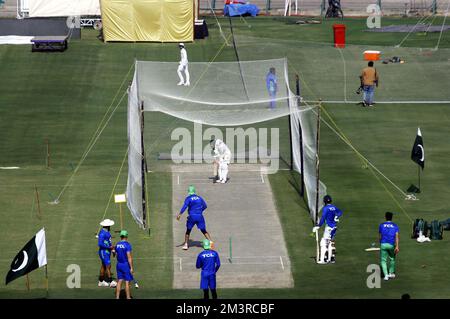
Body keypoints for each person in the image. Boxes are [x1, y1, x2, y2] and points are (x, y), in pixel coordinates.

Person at [176, 185, 212, 250]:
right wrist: (200, 211)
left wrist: (180, 214)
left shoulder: (188, 198)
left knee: (188, 230)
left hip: (192, 217)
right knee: (203, 230)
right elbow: (205, 206)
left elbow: (184, 206)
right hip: (199, 216)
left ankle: (186, 244)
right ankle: (210, 242)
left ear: (189, 192)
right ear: (194, 191)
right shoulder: (200, 198)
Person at [312, 195, 343, 264]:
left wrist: (319, 225)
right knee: (330, 243)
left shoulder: (325, 208)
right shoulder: (334, 207)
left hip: (329, 227)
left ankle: (323, 260)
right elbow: (340, 212)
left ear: (324, 201)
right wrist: (336, 216)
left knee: (323, 243)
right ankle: (330, 259)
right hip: (334, 227)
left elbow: (323, 218)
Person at [379, 212, 399, 281]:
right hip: (391, 244)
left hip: (383, 244)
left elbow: (380, 236)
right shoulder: (395, 225)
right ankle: (391, 273)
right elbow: (396, 236)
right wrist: (397, 246)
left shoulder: (381, 225)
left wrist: (381, 242)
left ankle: (386, 275)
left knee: (383, 260)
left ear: (385, 217)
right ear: (392, 217)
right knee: (392, 258)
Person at [114, 230, 134, 299]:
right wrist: (131, 267)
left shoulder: (117, 244)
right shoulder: (127, 245)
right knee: (127, 282)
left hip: (119, 264)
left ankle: (117, 297)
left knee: (119, 281)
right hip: (125, 265)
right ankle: (128, 297)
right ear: (126, 236)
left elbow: (115, 254)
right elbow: (129, 257)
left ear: (120, 236)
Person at [98, 219, 117, 288]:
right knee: (108, 266)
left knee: (103, 266)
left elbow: (109, 242)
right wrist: (109, 247)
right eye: (109, 226)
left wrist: (112, 249)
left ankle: (101, 281)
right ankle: (111, 282)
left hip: (107, 251)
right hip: (103, 252)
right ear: (107, 226)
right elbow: (100, 244)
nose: (110, 227)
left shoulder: (107, 232)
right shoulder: (102, 233)